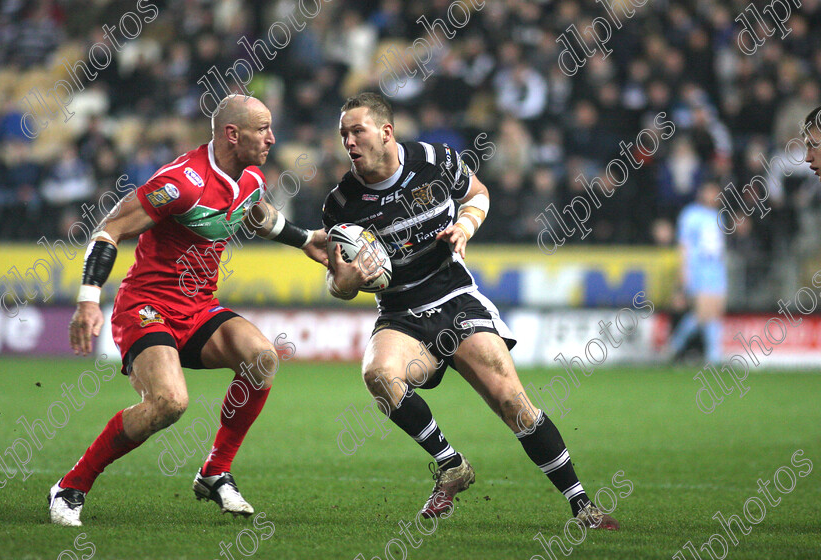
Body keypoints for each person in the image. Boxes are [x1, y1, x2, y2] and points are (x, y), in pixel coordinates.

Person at [322, 92, 618, 529]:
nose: (349, 141)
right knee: (378, 375)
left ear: (386, 132)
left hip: (454, 299)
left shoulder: (436, 161)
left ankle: (583, 506)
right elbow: (336, 279)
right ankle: (451, 464)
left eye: (357, 131)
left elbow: (478, 194)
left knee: (512, 403)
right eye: (344, 133)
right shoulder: (341, 204)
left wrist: (464, 225)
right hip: (401, 311)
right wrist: (348, 281)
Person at [49, 95, 328, 527]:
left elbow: (256, 214)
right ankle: (71, 486)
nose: (273, 138)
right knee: (169, 403)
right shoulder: (182, 182)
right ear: (233, 135)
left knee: (262, 359)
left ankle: (215, 470)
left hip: (198, 309)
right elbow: (112, 228)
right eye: (263, 129)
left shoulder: (252, 175)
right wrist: (88, 299)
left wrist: (305, 238)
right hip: (147, 307)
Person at [666, 181, 726, 364]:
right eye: (711, 191)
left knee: (715, 313)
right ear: (703, 193)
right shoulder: (691, 214)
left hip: (717, 269)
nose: (714, 196)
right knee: (702, 313)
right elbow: (684, 245)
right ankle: (675, 346)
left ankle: (713, 355)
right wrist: (684, 270)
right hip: (700, 268)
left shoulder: (718, 216)